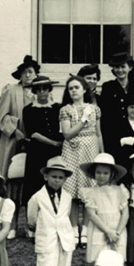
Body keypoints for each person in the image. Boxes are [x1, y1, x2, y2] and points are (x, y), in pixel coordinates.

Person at [25, 157, 77, 266]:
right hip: (47, 241)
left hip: (65, 241)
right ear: (46, 176)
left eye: (61, 177)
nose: (57, 180)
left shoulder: (67, 197)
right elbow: (31, 219)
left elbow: (66, 216)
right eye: (54, 176)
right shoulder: (37, 197)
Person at [79, 154, 130, 266]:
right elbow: (92, 215)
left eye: (105, 173)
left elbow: (125, 214)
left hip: (118, 234)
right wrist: (108, 231)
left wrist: (117, 232)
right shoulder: (90, 193)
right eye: (98, 173)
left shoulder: (120, 191)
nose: (101, 176)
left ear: (112, 174)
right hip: (101, 233)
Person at [59, 75, 103, 244]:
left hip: (90, 148)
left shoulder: (94, 109)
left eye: (77, 87)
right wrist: (83, 119)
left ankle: (84, 229)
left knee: (88, 189)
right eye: (70, 88)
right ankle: (73, 229)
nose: (73, 91)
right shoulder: (66, 110)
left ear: (84, 89)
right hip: (72, 150)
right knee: (72, 189)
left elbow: (98, 133)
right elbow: (67, 134)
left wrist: (102, 154)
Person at [21, 77, 63, 223]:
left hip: (54, 154)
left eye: (45, 89)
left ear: (49, 90)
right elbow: (33, 134)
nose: (42, 92)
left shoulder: (58, 108)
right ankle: (32, 223)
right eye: (38, 90)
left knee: (54, 184)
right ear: (35, 91)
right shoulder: (28, 110)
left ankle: (53, 221)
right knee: (34, 185)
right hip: (37, 152)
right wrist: (54, 143)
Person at [0, 55, 38, 179]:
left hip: (34, 138)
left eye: (30, 72)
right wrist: (15, 131)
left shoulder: (41, 92)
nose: (27, 75)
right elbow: (2, 115)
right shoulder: (11, 90)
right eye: (24, 72)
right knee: (11, 170)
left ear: (36, 74)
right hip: (14, 137)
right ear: (20, 75)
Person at [97, 52, 134, 154]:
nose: (120, 70)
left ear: (130, 68)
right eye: (116, 67)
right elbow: (105, 114)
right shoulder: (108, 87)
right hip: (113, 134)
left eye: (123, 66)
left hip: (133, 133)